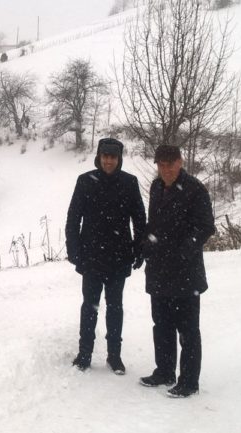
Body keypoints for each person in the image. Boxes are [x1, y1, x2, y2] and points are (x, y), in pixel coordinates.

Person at [138, 144, 215, 398]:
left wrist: (184, 251)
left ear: (180, 162)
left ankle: (189, 381)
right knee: (161, 324)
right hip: (159, 269)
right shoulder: (156, 187)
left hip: (185, 271)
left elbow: (205, 227)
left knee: (188, 329)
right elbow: (153, 224)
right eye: (161, 165)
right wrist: (145, 246)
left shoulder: (195, 189)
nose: (166, 169)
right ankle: (164, 371)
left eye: (170, 164)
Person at [66, 137, 146, 374]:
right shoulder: (85, 181)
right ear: (99, 157)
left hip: (119, 256)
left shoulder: (129, 183)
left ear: (119, 159)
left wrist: (139, 249)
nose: (109, 161)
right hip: (91, 256)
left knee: (115, 307)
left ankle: (114, 356)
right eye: (105, 156)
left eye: (113, 157)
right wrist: (73, 249)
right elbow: (73, 218)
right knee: (89, 307)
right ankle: (84, 354)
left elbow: (139, 220)